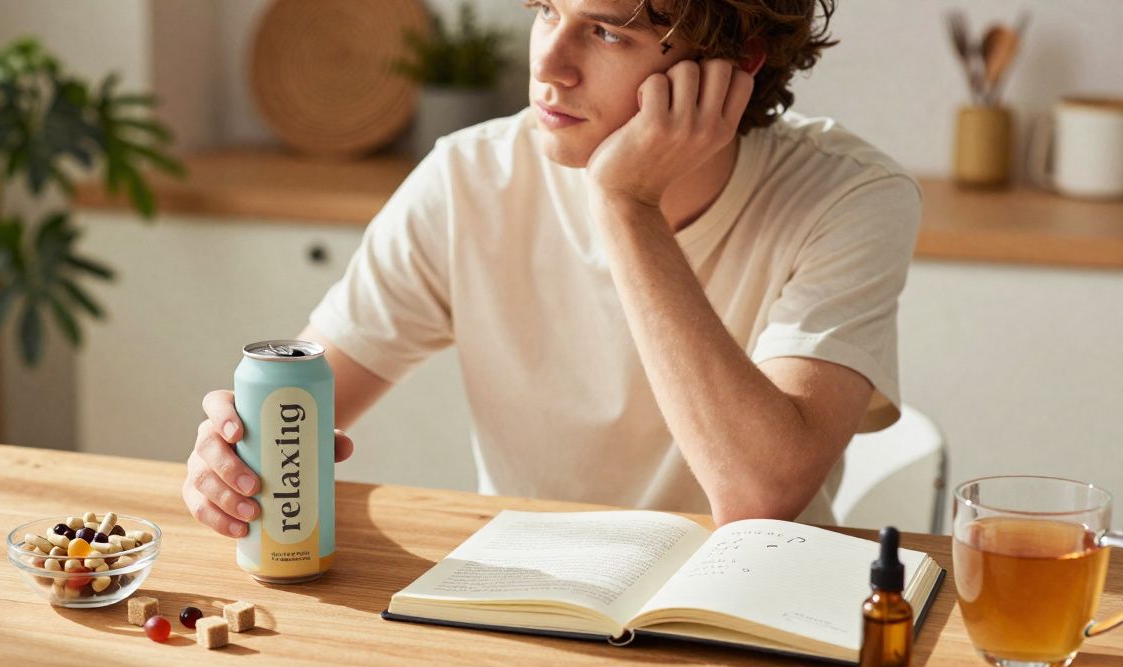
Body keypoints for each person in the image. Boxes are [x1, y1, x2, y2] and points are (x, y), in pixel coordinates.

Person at [182, 0, 920, 538]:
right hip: (533, 601)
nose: (548, 66)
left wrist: (625, 203)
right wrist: (227, 459)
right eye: (544, 9)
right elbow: (301, 411)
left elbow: (760, 491)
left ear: (740, 61)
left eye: (605, 31)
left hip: (753, 613)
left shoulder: (848, 197)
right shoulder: (468, 178)